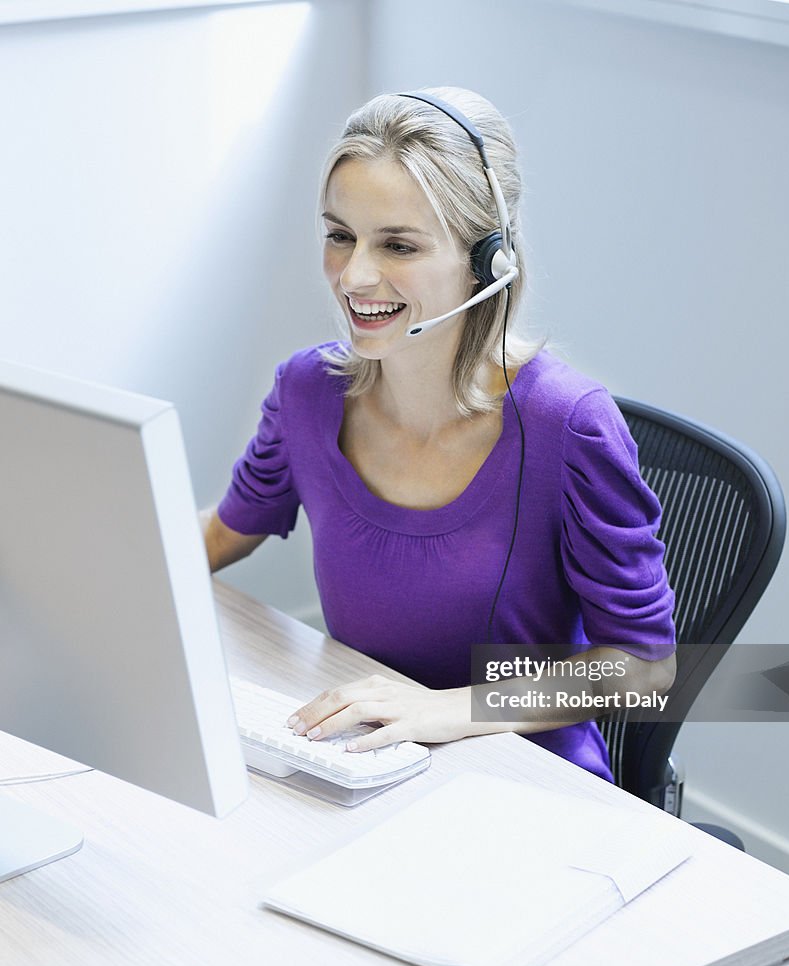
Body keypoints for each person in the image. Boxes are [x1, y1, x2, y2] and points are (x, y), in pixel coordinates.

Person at [202, 87, 676, 783]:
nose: (355, 275)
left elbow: (643, 667)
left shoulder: (567, 425)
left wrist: (443, 711)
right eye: (339, 236)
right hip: (358, 758)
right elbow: (215, 538)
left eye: (397, 245)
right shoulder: (306, 393)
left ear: (487, 260)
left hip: (522, 773)